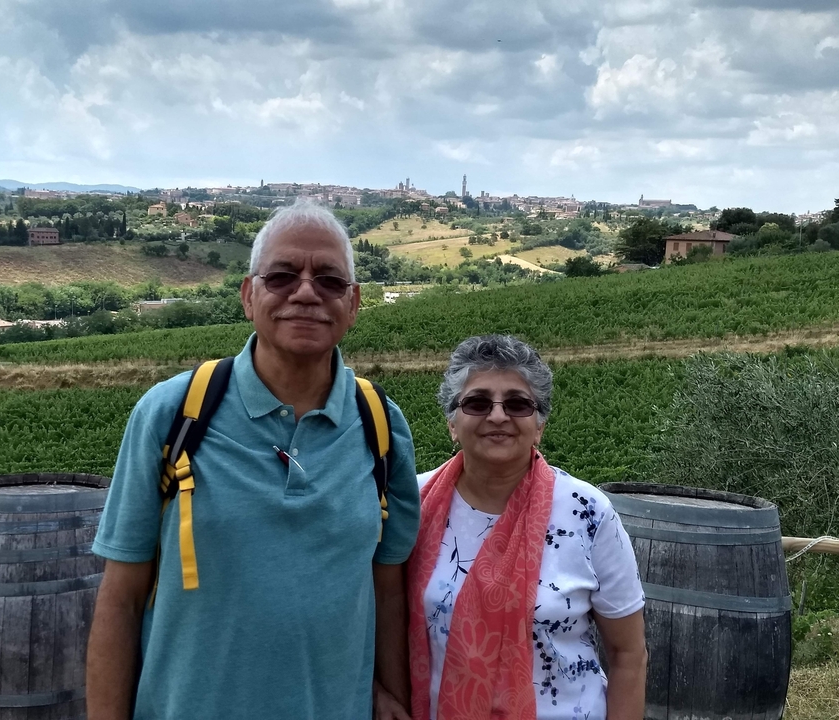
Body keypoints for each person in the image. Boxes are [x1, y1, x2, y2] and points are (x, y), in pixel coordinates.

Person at [86, 199, 421, 720]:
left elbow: (388, 588)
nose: (306, 292)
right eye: (283, 275)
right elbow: (119, 599)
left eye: (330, 280)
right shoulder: (172, 415)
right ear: (249, 295)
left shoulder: (381, 425)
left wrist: (392, 696)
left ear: (353, 303)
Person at [387, 334, 647, 720]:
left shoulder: (588, 512)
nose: (497, 416)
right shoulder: (413, 503)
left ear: (539, 425)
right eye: (477, 402)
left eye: (517, 403)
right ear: (452, 424)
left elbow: (629, 655)